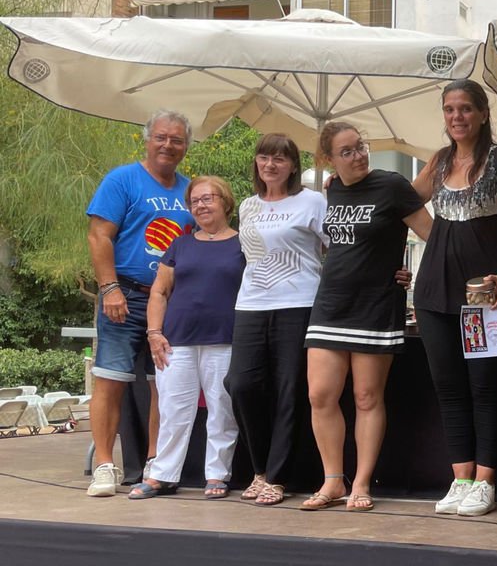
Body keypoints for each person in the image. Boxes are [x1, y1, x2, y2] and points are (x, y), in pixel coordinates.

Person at [412, 80, 497, 517]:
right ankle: (460, 477)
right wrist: (437, 235)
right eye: (449, 109)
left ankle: (485, 480)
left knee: (487, 386)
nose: (456, 116)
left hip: (486, 290)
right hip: (434, 288)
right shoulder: (439, 160)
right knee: (448, 386)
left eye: (465, 108)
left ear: (483, 113)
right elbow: (402, 201)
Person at [301, 122, 432, 513]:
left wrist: (413, 273)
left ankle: (361, 482)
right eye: (347, 151)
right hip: (330, 304)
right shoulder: (332, 189)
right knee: (320, 395)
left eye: (361, 147)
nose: (358, 155)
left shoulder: (391, 185)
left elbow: (433, 234)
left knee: (366, 396)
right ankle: (332, 481)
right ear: (328, 160)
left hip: (376, 306)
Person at [85, 110, 195, 497]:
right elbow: (100, 235)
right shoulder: (121, 180)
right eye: (162, 137)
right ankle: (104, 464)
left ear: (186, 146)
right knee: (110, 381)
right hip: (126, 296)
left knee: (163, 385)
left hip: (171, 302)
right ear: (147, 139)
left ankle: (154, 463)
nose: (169, 145)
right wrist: (109, 287)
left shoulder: (190, 190)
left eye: (177, 140)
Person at [226, 134, 328, 506]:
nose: (270, 164)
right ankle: (259, 469)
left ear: (293, 166)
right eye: (264, 157)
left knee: (290, 389)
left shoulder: (312, 201)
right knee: (240, 385)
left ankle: (278, 476)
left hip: (299, 303)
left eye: (280, 159)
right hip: (250, 305)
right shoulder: (248, 205)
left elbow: (339, 247)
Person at [130, 176, 244, 499]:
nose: (201, 205)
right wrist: (154, 333)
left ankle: (217, 476)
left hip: (226, 338)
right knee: (173, 409)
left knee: (222, 410)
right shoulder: (180, 244)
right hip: (176, 340)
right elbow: (159, 292)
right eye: (195, 201)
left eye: (207, 198)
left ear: (225, 202)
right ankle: (162, 475)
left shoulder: (243, 243)